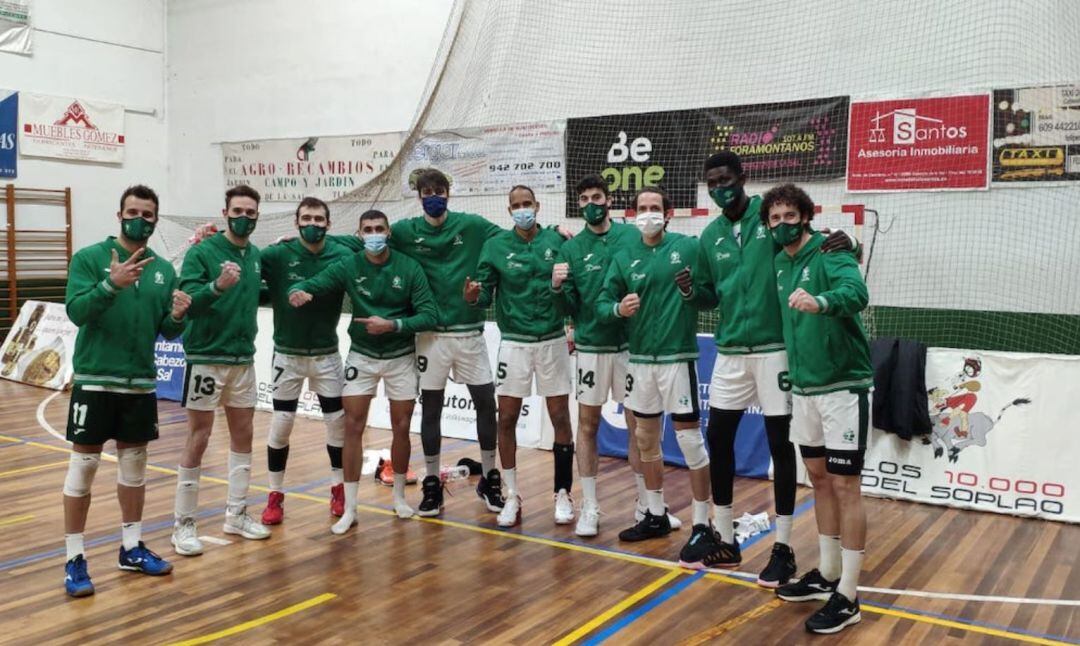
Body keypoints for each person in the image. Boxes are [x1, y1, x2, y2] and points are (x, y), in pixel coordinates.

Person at [675, 151, 856, 582]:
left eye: (726, 178)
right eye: (712, 181)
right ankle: (724, 539)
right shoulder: (710, 237)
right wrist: (689, 293)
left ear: (741, 177)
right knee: (718, 438)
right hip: (731, 351)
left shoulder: (769, 215)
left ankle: (784, 546)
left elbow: (805, 243)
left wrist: (846, 241)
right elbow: (708, 296)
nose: (720, 187)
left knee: (780, 446)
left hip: (775, 349)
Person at [61, 185, 190, 596]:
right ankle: (74, 557)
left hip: (140, 383)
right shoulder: (90, 259)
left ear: (155, 220)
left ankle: (131, 547)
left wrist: (178, 316)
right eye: (133, 211)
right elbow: (77, 312)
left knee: (134, 468)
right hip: (96, 380)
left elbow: (166, 330)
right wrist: (110, 285)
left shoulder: (163, 271)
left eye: (148, 214)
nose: (140, 218)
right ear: (119, 216)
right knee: (83, 468)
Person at [765, 184, 872, 635]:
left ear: (806, 216)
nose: (782, 223)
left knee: (846, 487)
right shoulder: (778, 263)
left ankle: (849, 594)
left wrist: (822, 302)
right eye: (774, 218)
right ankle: (827, 573)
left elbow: (857, 293)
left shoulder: (829, 250)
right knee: (820, 479)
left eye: (790, 215)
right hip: (805, 390)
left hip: (842, 386)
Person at [291, 209, 438, 532]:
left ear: (388, 232)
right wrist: (300, 290)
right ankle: (351, 508)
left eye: (379, 228)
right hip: (362, 356)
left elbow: (429, 315)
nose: (374, 234)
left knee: (401, 427)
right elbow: (316, 282)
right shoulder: (349, 265)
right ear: (360, 234)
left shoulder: (408, 267)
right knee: (352, 427)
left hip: (400, 356)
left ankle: (399, 497)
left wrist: (393, 325)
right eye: (368, 229)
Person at [551, 174, 681, 537]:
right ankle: (590, 506)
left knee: (639, 428)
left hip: (630, 347)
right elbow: (568, 305)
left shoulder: (629, 235)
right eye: (585, 198)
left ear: (609, 200)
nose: (592, 202)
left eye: (598, 196)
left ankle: (647, 506)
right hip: (591, 348)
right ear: (579, 205)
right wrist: (556, 286)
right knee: (588, 425)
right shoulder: (571, 248)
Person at [596, 187, 719, 565]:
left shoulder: (688, 247)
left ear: (668, 214)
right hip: (640, 362)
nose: (648, 214)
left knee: (690, 442)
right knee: (645, 438)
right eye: (643, 208)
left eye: (655, 208)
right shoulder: (623, 256)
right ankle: (654, 513)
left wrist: (690, 292)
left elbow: (711, 297)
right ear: (634, 215)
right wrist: (618, 307)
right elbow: (602, 304)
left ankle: (702, 523)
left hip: (677, 358)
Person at [389, 169, 504, 517]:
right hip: (430, 335)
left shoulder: (472, 225)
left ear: (449, 194)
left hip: (469, 332)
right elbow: (363, 239)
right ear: (418, 195)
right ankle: (432, 483)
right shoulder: (405, 231)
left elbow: (513, 238)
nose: (434, 195)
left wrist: (553, 233)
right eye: (427, 191)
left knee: (486, 402)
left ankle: (490, 477)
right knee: (432, 409)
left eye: (440, 190)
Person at [466, 185, 573, 527]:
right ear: (508, 209)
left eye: (527, 204)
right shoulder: (495, 246)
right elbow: (483, 298)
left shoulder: (558, 241)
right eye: (516, 205)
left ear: (538, 206)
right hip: (513, 342)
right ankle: (512, 494)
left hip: (553, 340)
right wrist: (471, 296)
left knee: (559, 417)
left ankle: (563, 494)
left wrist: (575, 326)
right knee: (507, 418)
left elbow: (574, 290)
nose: (522, 209)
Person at [171, 185, 270, 556]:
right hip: (206, 358)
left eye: (250, 211)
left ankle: (237, 514)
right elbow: (185, 305)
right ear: (225, 212)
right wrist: (216, 286)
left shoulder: (256, 255)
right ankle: (182, 524)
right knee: (199, 437)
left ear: (257, 216)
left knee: (243, 435)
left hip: (243, 360)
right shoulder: (203, 251)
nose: (244, 216)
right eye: (238, 210)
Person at [257, 197, 356, 525]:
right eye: (306, 218)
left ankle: (338, 487)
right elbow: (241, 260)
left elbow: (369, 245)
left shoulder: (342, 255)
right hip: (287, 353)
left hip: (327, 354)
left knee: (336, 424)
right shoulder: (276, 254)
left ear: (328, 224)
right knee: (282, 424)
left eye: (318, 219)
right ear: (296, 223)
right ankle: (274, 495)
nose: (312, 224)